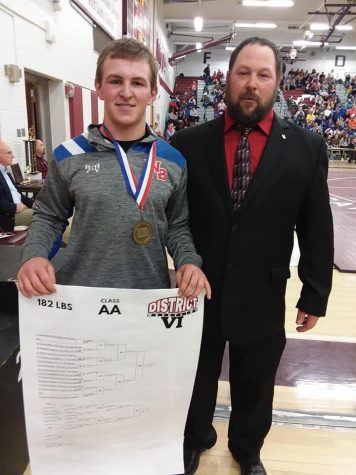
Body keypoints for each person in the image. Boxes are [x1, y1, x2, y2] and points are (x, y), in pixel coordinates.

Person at [171, 37, 333, 475]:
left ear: (278, 83)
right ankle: (194, 438)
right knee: (195, 377)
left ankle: (247, 448)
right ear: (227, 79)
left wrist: (314, 293)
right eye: (243, 73)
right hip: (196, 291)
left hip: (263, 290)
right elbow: (174, 216)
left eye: (263, 75)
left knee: (255, 382)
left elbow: (316, 226)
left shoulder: (305, 147)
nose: (251, 84)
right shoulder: (187, 143)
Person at [17, 38, 211, 311]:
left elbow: (177, 226)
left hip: (147, 301)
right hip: (80, 300)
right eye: (116, 81)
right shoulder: (68, 154)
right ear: (99, 87)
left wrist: (188, 262)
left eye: (138, 83)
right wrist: (34, 256)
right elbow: (49, 216)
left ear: (153, 92)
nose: (126, 92)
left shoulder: (172, 160)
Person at [0, 141, 34, 232]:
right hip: (9, 215)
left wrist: (34, 204)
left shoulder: (5, 171)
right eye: (9, 153)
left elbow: (19, 195)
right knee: (45, 216)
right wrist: (14, 207)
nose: (13, 156)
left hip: (21, 209)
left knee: (48, 211)